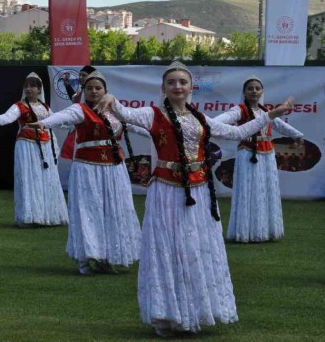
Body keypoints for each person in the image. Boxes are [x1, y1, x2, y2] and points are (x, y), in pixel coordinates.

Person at [96, 61, 293, 336]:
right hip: (167, 190)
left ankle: (195, 311)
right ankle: (167, 315)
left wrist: (271, 116)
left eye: (183, 82)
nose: (178, 86)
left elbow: (235, 132)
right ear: (163, 87)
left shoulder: (200, 118)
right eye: (172, 82)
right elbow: (124, 113)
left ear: (191, 87)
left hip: (199, 192)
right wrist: (110, 98)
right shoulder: (152, 115)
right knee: (169, 247)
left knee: (196, 248)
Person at [30, 70, 141, 275]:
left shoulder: (116, 112)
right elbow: (63, 116)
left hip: (114, 169)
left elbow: (137, 125)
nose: (94, 91)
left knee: (113, 210)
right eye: (89, 88)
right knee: (88, 210)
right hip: (88, 168)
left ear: (105, 91)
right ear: (84, 90)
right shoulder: (79, 110)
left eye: (98, 88)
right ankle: (84, 258)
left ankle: (107, 258)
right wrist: (44, 123)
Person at [212, 75, 304, 243]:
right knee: (248, 191)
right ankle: (246, 232)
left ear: (262, 92)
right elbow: (220, 121)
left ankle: (266, 230)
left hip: (267, 155)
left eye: (257, 88)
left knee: (266, 191)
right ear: (244, 92)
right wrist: (210, 125)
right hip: (248, 154)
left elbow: (280, 125)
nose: (254, 91)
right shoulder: (239, 110)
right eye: (250, 88)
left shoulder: (265, 112)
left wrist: (297, 134)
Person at [0, 72, 68, 227]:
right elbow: (7, 117)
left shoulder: (45, 107)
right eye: (27, 86)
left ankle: (49, 216)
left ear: (39, 89)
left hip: (44, 146)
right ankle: (31, 216)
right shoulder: (19, 106)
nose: (29, 89)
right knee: (30, 178)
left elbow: (56, 120)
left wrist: (73, 121)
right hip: (27, 146)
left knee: (46, 179)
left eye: (33, 86)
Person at [60, 65, 97, 160]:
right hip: (78, 130)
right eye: (80, 75)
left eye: (84, 75)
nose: (80, 77)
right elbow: (75, 98)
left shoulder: (95, 94)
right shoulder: (82, 92)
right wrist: (67, 85)